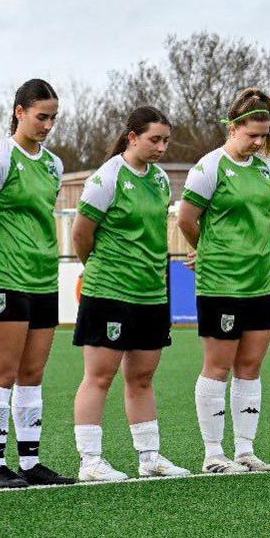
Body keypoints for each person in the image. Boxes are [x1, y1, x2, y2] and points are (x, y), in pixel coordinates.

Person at [0, 79, 74, 488]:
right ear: (19, 112)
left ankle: (30, 462)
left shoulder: (53, 164)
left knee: (32, 373)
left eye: (53, 118)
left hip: (43, 279)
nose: (47, 125)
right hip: (4, 279)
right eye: (41, 116)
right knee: (3, 372)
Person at [70, 106, 189, 482]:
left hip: (151, 293)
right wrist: (103, 270)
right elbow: (80, 234)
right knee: (100, 377)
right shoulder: (107, 178)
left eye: (166, 140)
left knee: (142, 378)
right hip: (109, 291)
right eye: (154, 139)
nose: (161, 147)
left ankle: (149, 456)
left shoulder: (158, 180)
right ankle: (90, 461)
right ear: (132, 137)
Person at [178, 90, 270, 474]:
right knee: (217, 367)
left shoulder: (266, 169)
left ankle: (245, 451)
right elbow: (187, 219)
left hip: (261, 281)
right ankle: (212, 455)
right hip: (221, 283)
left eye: (264, 135)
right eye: (252, 134)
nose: (258, 142)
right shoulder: (209, 168)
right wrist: (205, 250)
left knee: (250, 367)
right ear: (234, 127)